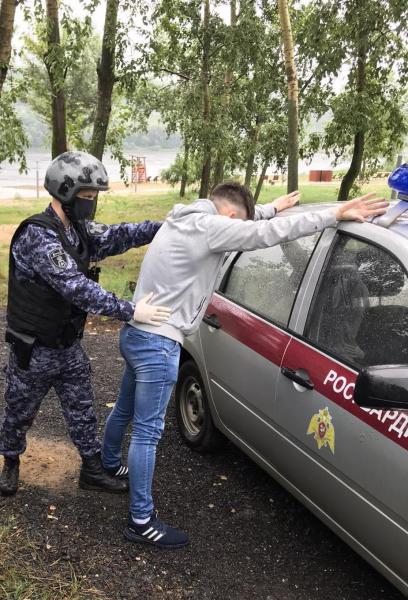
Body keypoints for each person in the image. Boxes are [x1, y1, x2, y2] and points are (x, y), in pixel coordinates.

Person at [101, 182, 387, 549]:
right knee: (146, 433)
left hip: (136, 333)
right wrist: (333, 214)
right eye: (239, 221)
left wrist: (271, 206)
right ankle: (140, 520)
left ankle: (107, 466)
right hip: (159, 342)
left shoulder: (187, 217)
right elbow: (261, 234)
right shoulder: (209, 228)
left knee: (124, 408)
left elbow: (251, 222)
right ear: (231, 217)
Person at [0, 151, 171, 497]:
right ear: (65, 193)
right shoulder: (39, 237)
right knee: (18, 411)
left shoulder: (78, 231)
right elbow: (76, 287)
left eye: (94, 198)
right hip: (33, 350)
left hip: (66, 346)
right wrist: (130, 310)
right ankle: (10, 463)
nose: (91, 205)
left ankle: (91, 470)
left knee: (82, 409)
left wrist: (166, 226)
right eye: (87, 197)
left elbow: (119, 235)